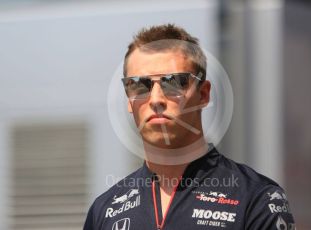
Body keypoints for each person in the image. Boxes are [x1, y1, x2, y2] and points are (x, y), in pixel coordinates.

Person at [83, 24, 295, 230]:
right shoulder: (104, 211)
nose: (156, 99)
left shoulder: (256, 198)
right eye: (139, 84)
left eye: (174, 82)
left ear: (203, 94)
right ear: (129, 100)